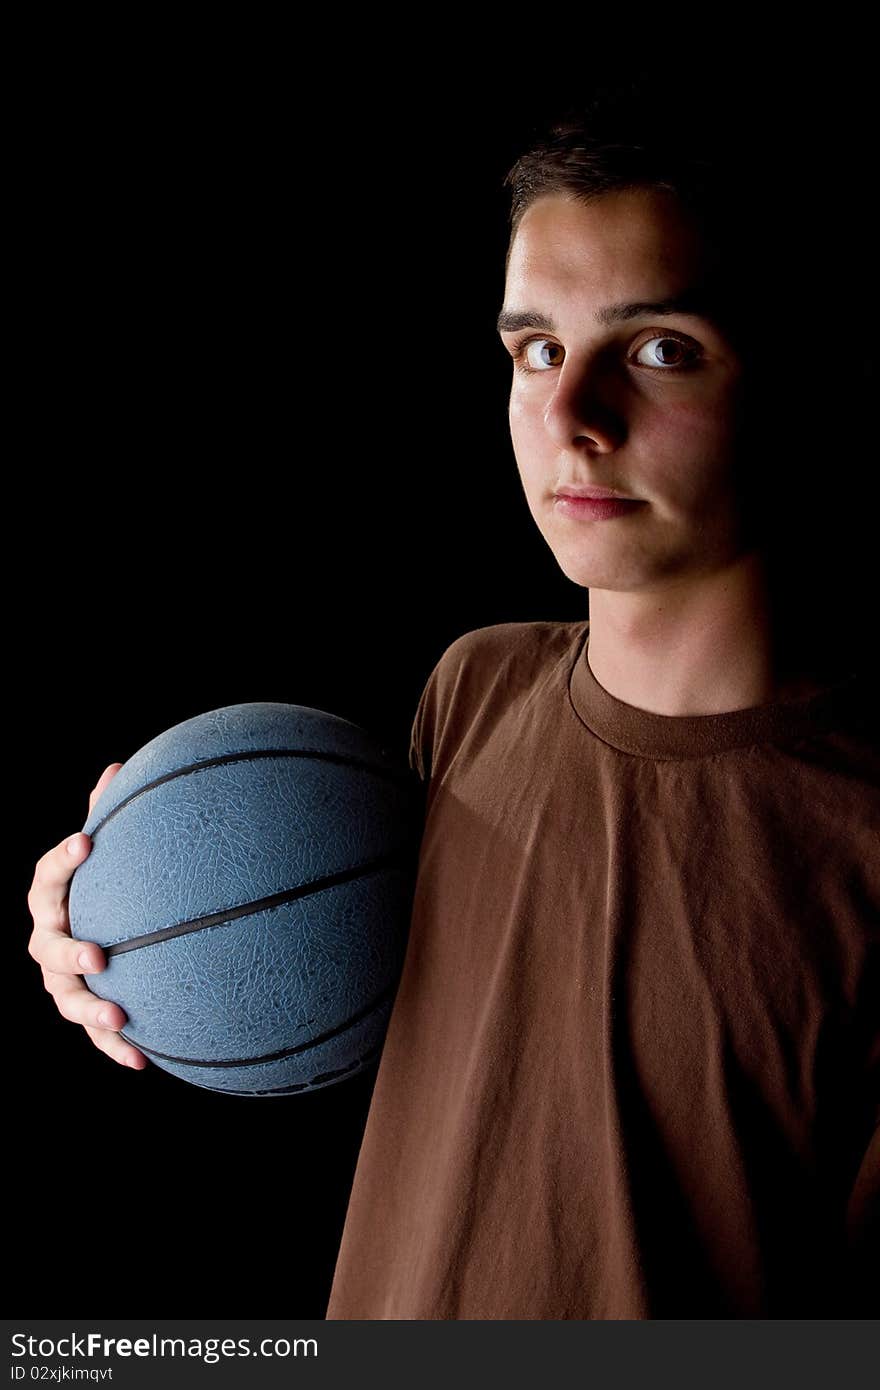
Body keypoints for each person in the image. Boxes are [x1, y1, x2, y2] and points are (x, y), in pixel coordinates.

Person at [27, 83, 878, 1316]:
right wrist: (115, 938)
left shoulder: (857, 842)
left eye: (659, 350)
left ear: (793, 378)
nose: (571, 416)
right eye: (536, 349)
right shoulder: (468, 697)